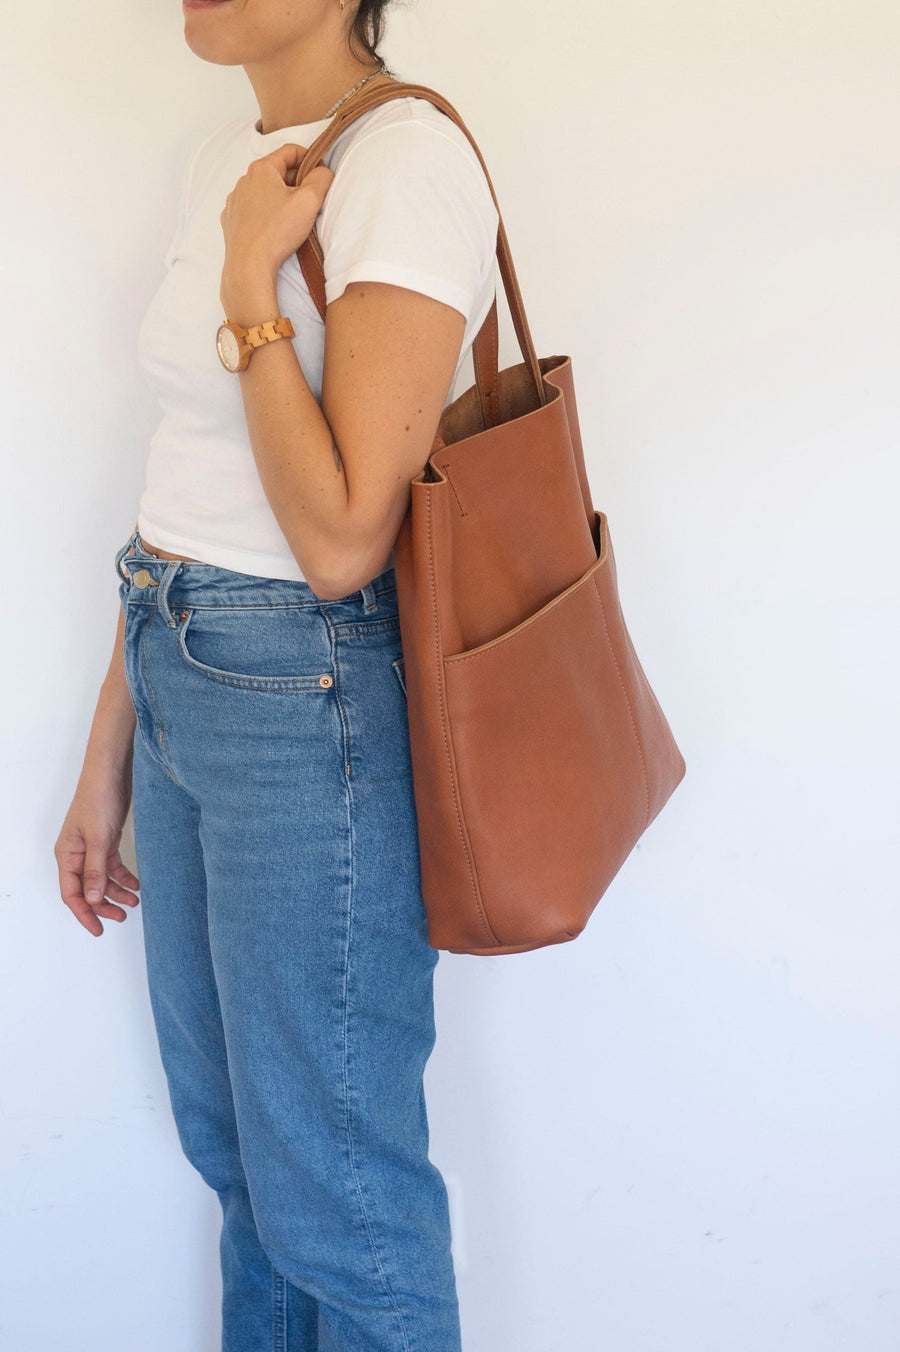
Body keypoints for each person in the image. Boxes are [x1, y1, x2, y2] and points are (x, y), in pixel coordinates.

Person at [53, 0, 500, 1346]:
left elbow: (343, 539)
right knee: (240, 1159)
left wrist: (254, 288)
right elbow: (184, 490)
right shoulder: (232, 155)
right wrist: (108, 750)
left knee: (340, 1199)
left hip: (305, 698)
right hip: (182, 657)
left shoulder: (405, 163)